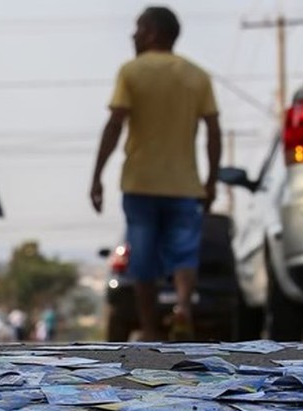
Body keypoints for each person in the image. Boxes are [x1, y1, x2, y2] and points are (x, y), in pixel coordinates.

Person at [90, 6, 221, 341]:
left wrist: (97, 175)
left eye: (137, 28)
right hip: (184, 185)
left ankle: (149, 329)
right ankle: (183, 309)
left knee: (143, 257)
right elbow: (213, 129)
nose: (133, 35)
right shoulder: (196, 75)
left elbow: (115, 123)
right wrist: (211, 180)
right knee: (184, 253)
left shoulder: (131, 72)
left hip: (141, 183)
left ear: (152, 32)